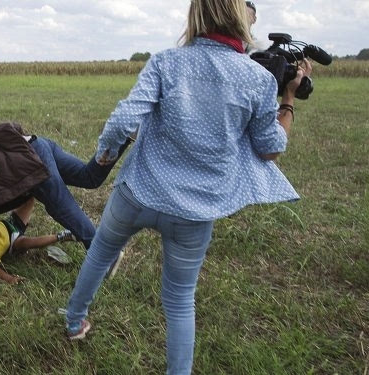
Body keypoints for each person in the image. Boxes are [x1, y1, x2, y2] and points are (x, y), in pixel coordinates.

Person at [63, 0, 312, 374]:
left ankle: (73, 322)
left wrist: (104, 155)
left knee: (99, 254)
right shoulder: (259, 79)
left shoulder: (166, 62)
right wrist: (288, 99)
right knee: (179, 300)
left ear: (196, 16)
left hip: (137, 192)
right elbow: (271, 148)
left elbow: (124, 119)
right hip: (194, 213)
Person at [0, 121, 132, 251]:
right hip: (34, 145)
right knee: (89, 178)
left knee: (60, 204)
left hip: (26, 161)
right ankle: (122, 136)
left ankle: (103, 252)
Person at [0, 197, 75, 284]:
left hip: (12, 223)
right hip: (14, 242)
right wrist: (10, 279)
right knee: (27, 243)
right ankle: (62, 236)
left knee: (29, 199)